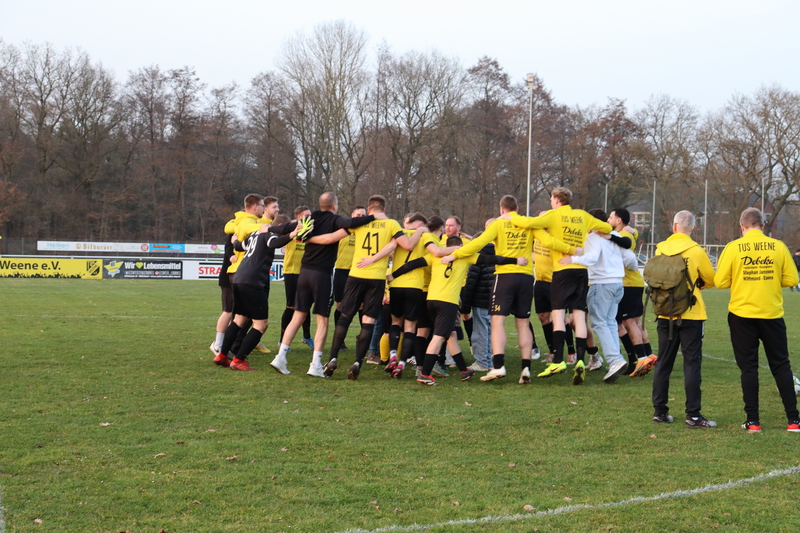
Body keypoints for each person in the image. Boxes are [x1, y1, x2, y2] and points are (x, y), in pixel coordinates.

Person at [445, 195, 577, 384]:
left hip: (505, 276)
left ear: (502, 209)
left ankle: (498, 366)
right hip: (526, 277)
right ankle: (526, 368)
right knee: (523, 323)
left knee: (497, 322)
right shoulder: (528, 224)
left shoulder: (498, 224)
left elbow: (477, 243)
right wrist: (573, 251)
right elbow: (549, 242)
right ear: (517, 209)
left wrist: (454, 255)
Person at [501, 187, 611, 381]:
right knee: (579, 316)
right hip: (581, 270)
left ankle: (558, 360)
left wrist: (509, 216)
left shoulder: (553, 215)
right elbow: (607, 228)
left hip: (562, 269)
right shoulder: (582, 215)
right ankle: (580, 360)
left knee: (558, 316)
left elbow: (528, 222)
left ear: (556, 200)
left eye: (552, 199)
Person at [390, 235, 528, 385]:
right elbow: (492, 259)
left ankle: (463, 370)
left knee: (451, 334)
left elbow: (412, 264)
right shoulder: (465, 257)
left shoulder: (434, 256)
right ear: (461, 246)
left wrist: (393, 275)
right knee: (439, 337)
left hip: (431, 300)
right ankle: (425, 373)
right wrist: (516, 261)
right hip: (447, 302)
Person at [269, 192, 376, 376]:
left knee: (298, 316)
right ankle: (316, 365)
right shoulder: (335, 220)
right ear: (334, 206)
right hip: (322, 276)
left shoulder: (309, 219)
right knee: (322, 320)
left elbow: (286, 227)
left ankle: (280, 357)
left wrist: (268, 228)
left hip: (304, 273)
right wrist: (374, 217)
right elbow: (350, 223)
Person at [714, 208, 800, 433]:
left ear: (742, 227)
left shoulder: (733, 247)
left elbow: (720, 282)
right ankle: (793, 420)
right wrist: (770, 280)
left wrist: (742, 279)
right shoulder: (778, 246)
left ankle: (753, 421)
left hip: (742, 315)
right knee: (781, 365)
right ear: (763, 226)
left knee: (749, 368)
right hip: (771, 314)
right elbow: (792, 279)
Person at [324, 195, 424, 380]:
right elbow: (408, 245)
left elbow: (331, 238)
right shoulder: (392, 224)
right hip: (376, 279)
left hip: (356, 274)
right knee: (368, 321)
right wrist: (421, 230)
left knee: (345, 317)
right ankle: (357, 362)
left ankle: (333, 358)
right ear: (384, 210)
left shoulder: (360, 222)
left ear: (369, 210)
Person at [650, 210, 717, 428]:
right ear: (693, 228)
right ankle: (693, 415)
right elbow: (710, 279)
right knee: (692, 363)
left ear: (674, 226)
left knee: (664, 362)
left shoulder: (660, 248)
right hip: (691, 313)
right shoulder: (696, 251)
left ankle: (660, 412)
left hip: (665, 312)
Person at [213, 217, 304, 370]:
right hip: (253, 281)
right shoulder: (269, 234)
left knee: (239, 319)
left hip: (239, 278)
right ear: (279, 227)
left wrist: (234, 241)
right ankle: (238, 360)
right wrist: (292, 234)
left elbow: (239, 246)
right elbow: (274, 243)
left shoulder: (254, 234)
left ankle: (222, 355)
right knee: (261, 325)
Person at [558, 209, 637, 384]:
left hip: (600, 283)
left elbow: (592, 258)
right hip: (617, 284)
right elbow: (631, 259)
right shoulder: (614, 236)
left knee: (599, 323)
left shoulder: (593, 237)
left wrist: (572, 260)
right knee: (610, 322)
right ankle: (617, 359)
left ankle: (615, 361)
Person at [607, 208, 656, 377]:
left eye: (611, 217)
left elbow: (627, 251)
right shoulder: (628, 233)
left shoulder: (623, 236)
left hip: (627, 283)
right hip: (634, 282)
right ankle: (648, 355)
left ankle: (640, 359)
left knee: (627, 323)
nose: (608, 220)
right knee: (634, 322)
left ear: (619, 220)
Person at [333, 206, 368, 352]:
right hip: (342, 271)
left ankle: (363, 339)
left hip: (360, 272)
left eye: (363, 215)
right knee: (341, 306)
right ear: (352, 215)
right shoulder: (343, 230)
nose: (360, 217)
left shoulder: (367, 232)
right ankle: (339, 340)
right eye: (358, 215)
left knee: (361, 305)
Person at [280, 205, 314, 349]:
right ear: (299, 217)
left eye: (310, 215)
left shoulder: (312, 229)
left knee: (306, 305)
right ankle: (282, 340)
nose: (309, 218)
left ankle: (306, 336)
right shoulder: (291, 228)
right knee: (291, 306)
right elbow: (280, 237)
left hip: (306, 272)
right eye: (306, 215)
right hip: (291, 272)